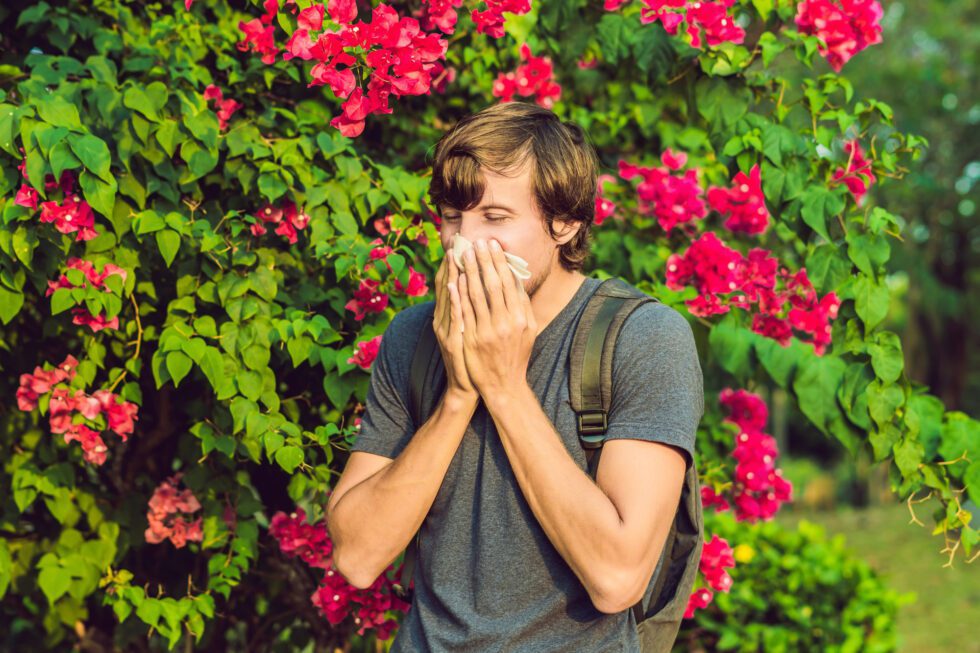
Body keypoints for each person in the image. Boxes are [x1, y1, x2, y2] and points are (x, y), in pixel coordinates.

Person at [325, 101, 704, 652]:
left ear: (565, 222)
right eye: (453, 216)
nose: (464, 244)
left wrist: (503, 386)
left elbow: (618, 577)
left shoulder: (643, 338)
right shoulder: (415, 336)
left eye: (495, 218)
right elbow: (357, 557)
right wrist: (458, 393)